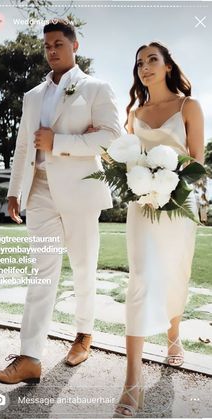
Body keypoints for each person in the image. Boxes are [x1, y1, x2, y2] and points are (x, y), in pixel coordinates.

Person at [0, 18, 120, 385]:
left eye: (58, 44)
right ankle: (29, 357)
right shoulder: (32, 96)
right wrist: (15, 191)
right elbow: (25, 146)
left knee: (82, 266)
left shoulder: (95, 88)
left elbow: (112, 139)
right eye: (47, 45)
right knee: (42, 271)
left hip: (80, 191)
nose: (51, 50)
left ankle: (83, 334)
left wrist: (60, 142)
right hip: (39, 192)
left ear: (75, 46)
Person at [114, 42, 204, 417]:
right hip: (141, 207)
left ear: (168, 66)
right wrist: (140, 185)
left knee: (175, 277)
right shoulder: (134, 113)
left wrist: (169, 182)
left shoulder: (189, 107)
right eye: (139, 62)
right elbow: (125, 159)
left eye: (153, 59)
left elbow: (198, 162)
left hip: (179, 206)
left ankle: (173, 335)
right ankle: (132, 384)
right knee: (140, 281)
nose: (145, 67)